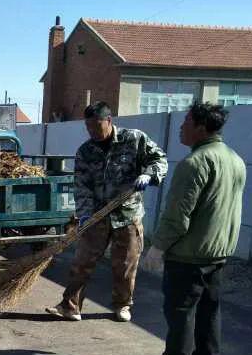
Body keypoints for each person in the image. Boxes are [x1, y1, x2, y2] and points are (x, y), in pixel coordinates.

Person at [142, 103, 245, 355]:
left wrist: (158, 246)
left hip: (189, 253)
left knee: (180, 309)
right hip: (218, 251)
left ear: (201, 127)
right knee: (210, 308)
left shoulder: (194, 163)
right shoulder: (234, 159)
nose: (180, 127)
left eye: (186, 121)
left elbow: (178, 214)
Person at [45, 101, 167, 322]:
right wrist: (83, 214)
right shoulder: (85, 151)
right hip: (97, 216)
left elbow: (159, 159)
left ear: (109, 121)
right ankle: (70, 306)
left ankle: (122, 306)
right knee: (82, 262)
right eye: (88, 127)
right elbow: (81, 185)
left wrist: (149, 174)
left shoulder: (134, 139)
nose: (92, 131)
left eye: (96, 126)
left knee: (125, 264)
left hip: (127, 215)